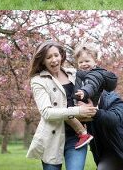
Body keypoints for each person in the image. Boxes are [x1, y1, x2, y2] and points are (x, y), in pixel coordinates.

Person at [72, 42, 123, 170]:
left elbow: (114, 120)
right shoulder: (84, 97)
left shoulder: (112, 99)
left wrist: (95, 113)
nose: (84, 64)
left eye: (87, 60)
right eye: (81, 62)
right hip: (110, 150)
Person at [26, 40, 98, 170]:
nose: (54, 60)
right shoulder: (38, 81)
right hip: (51, 138)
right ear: (42, 61)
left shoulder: (74, 74)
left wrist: (93, 106)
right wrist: (77, 111)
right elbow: (47, 113)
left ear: (61, 55)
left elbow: (94, 86)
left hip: (77, 137)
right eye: (48, 57)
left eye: (56, 55)